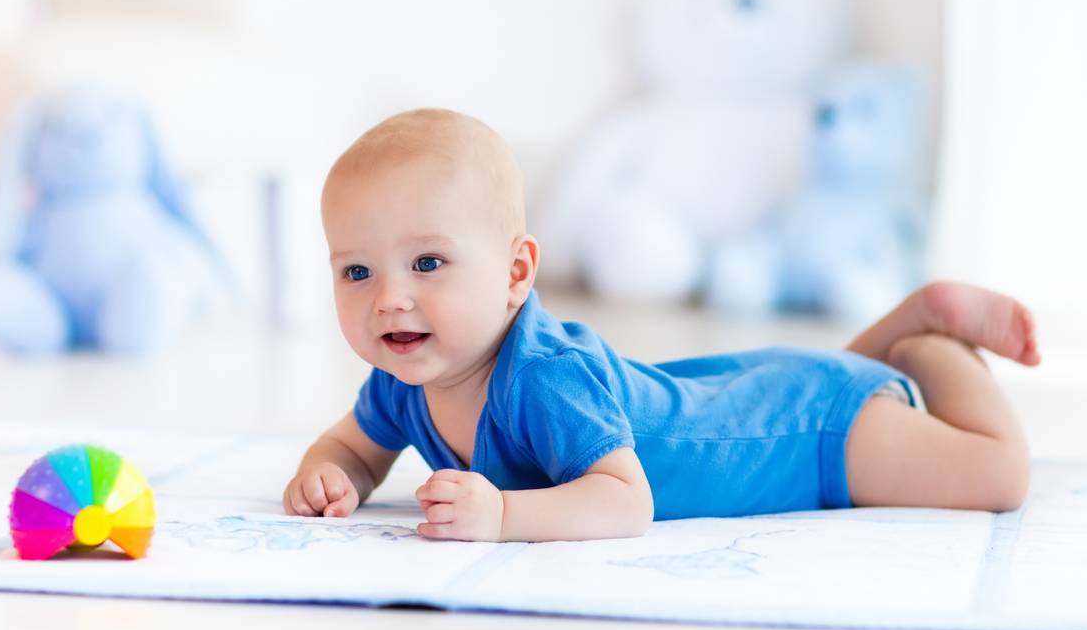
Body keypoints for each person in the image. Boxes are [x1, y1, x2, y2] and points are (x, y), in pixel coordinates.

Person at [282, 108, 1039, 542]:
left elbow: (624, 502)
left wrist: (505, 515)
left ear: (516, 274)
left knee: (997, 477)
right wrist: (331, 476)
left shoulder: (542, 378)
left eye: (427, 264)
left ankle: (933, 342)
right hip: (761, 394)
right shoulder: (404, 377)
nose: (389, 299)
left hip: (819, 439)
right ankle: (896, 345)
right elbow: (353, 445)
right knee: (798, 388)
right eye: (357, 272)